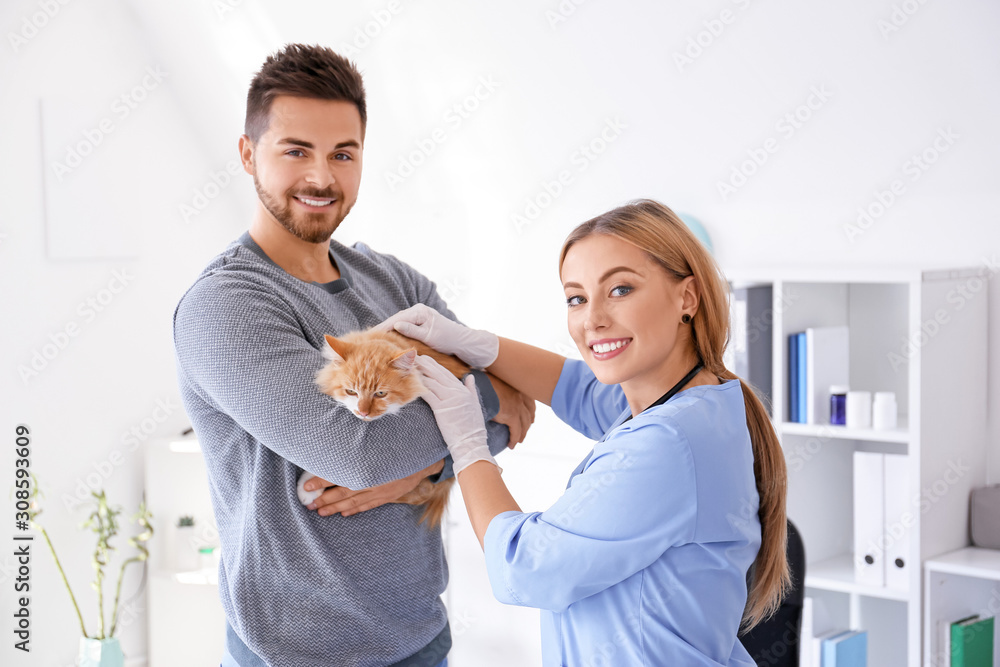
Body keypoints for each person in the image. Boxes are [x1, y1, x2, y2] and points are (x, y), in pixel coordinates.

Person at [172, 44, 534, 667]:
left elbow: (513, 421)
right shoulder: (226, 304)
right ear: (247, 153)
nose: (321, 177)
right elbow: (358, 450)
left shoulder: (400, 286)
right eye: (295, 151)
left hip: (419, 635)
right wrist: (485, 402)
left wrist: (418, 474)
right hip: (294, 652)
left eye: (343, 153)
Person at [382, 199, 790, 666]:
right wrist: (475, 342)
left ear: (687, 297)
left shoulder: (668, 445)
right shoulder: (696, 401)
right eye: (576, 298)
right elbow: (577, 390)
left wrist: (468, 443)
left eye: (619, 289)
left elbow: (524, 567)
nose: (592, 319)